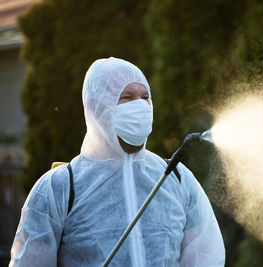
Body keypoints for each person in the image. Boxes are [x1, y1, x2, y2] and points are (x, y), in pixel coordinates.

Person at [9, 57, 225, 266]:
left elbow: (206, 256)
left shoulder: (177, 178)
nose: (139, 106)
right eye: (127, 97)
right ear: (97, 107)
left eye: (145, 97)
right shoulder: (58, 188)